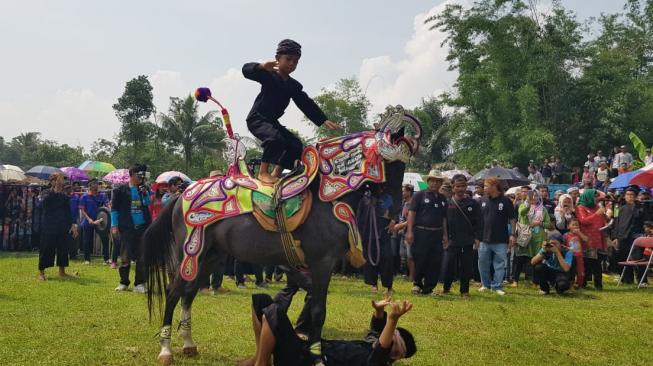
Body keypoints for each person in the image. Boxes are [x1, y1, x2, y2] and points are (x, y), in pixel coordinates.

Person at [242, 39, 340, 183]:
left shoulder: (293, 85)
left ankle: (276, 174)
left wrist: (323, 119)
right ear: (277, 59)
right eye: (288, 59)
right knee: (274, 139)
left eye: (295, 61)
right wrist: (261, 66)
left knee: (295, 145)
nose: (291, 64)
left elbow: (305, 103)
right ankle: (263, 172)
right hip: (257, 119)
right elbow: (246, 70)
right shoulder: (268, 75)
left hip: (272, 122)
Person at [241, 294, 416, 366]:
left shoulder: (377, 361)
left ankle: (261, 364)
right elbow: (377, 332)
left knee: (273, 313)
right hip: (303, 348)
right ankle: (259, 357)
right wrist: (379, 311)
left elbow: (381, 349)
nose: (387, 339)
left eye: (392, 338)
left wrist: (393, 320)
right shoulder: (370, 344)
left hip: (302, 360)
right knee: (262, 302)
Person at [405, 169, 448, 296]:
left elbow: (444, 218)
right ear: (428, 181)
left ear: (441, 183)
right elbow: (412, 214)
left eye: (438, 181)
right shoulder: (420, 195)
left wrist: (445, 235)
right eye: (432, 181)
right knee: (420, 259)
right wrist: (409, 232)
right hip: (421, 232)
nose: (435, 184)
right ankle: (417, 284)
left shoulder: (442, 199)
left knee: (435, 261)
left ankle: (429, 288)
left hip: (437, 233)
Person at [111, 164, 151, 293]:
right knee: (125, 256)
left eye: (143, 174)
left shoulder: (144, 189)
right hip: (126, 227)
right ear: (132, 174)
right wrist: (114, 225)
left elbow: (147, 203)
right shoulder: (120, 190)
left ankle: (140, 283)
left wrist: (144, 193)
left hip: (142, 227)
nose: (142, 177)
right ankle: (124, 282)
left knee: (142, 256)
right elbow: (114, 209)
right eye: (139, 174)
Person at [443, 175, 482, 297]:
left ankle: (464, 291)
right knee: (449, 265)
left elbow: (479, 222)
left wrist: (477, 238)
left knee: (466, 267)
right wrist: (444, 237)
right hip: (451, 240)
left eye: (463, 186)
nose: (460, 189)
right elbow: (444, 222)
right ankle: (446, 288)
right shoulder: (447, 203)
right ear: (453, 187)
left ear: (466, 187)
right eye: (457, 186)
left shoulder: (473, 203)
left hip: (468, 240)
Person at [478, 177, 516, 295]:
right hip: (483, 238)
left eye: (486, 186)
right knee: (483, 262)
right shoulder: (482, 200)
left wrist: (513, 234)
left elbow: (513, 219)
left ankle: (497, 286)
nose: (484, 188)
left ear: (494, 186)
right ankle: (485, 284)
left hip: (501, 239)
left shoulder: (505, 201)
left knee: (499, 264)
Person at [37, 173, 79, 281]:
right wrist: (54, 191)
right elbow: (43, 206)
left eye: (62, 181)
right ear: (52, 181)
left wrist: (72, 225)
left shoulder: (64, 196)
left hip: (62, 226)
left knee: (63, 249)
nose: (61, 183)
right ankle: (41, 273)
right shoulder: (45, 193)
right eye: (58, 180)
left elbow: (68, 212)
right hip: (49, 226)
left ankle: (62, 272)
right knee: (46, 249)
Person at [361, 186, 395, 296]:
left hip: (384, 232)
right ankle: (373, 284)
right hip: (369, 233)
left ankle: (388, 286)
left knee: (387, 258)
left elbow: (393, 212)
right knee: (370, 259)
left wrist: (393, 220)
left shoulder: (388, 198)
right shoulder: (365, 198)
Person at [512, 190, 550, 288]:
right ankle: (515, 280)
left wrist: (539, 223)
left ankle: (535, 281)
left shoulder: (543, 209)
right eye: (532, 196)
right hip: (524, 235)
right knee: (520, 258)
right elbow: (522, 212)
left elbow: (548, 224)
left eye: (536, 196)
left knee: (536, 260)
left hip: (538, 238)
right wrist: (528, 203)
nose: (534, 198)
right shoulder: (523, 205)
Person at [612, 186, 647, 284]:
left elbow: (638, 216)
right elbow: (616, 222)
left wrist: (634, 205)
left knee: (638, 259)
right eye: (628, 195)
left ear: (635, 196)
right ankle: (627, 279)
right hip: (622, 237)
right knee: (623, 258)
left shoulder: (640, 207)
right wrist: (615, 237)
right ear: (624, 196)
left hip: (635, 236)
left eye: (632, 195)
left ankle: (642, 280)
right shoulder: (620, 207)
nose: (630, 197)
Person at [575, 189, 607, 290]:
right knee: (586, 263)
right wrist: (597, 214)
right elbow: (583, 221)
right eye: (595, 197)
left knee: (597, 263)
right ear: (589, 197)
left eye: (598, 197)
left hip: (598, 238)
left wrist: (606, 222)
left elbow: (602, 221)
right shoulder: (580, 207)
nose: (597, 199)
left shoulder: (597, 207)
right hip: (586, 240)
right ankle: (583, 283)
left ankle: (598, 285)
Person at [79, 179, 109, 265]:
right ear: (90, 186)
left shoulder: (102, 196)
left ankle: (106, 259)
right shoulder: (84, 197)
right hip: (88, 220)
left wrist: (110, 207)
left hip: (100, 221)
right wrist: (89, 219)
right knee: (87, 240)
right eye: (94, 184)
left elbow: (107, 205)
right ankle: (87, 259)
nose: (96, 186)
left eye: (97, 184)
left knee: (105, 239)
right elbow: (82, 210)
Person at [391, 184, 414, 281]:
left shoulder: (413, 204)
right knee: (402, 254)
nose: (402, 193)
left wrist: (400, 226)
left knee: (410, 255)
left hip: (409, 232)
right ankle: (405, 273)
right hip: (402, 233)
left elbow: (412, 219)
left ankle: (412, 276)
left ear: (409, 192)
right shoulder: (404, 203)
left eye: (404, 191)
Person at [564, 218, 587, 288]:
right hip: (570, 257)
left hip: (579, 256)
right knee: (571, 271)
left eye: (577, 225)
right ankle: (571, 283)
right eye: (573, 225)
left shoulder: (579, 235)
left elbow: (586, 239)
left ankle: (579, 284)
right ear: (568, 226)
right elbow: (563, 245)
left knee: (580, 271)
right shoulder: (566, 235)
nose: (575, 226)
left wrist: (579, 233)